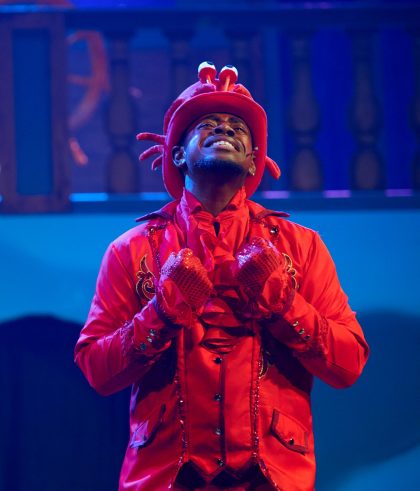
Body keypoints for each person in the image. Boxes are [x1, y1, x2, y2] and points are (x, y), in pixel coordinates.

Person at [75, 62, 369, 491]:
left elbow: (349, 364)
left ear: (253, 161)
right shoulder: (130, 250)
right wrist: (162, 313)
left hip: (273, 479)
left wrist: (283, 304)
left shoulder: (301, 246)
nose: (225, 129)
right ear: (177, 154)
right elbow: (97, 371)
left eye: (238, 128)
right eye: (207, 124)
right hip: (163, 479)